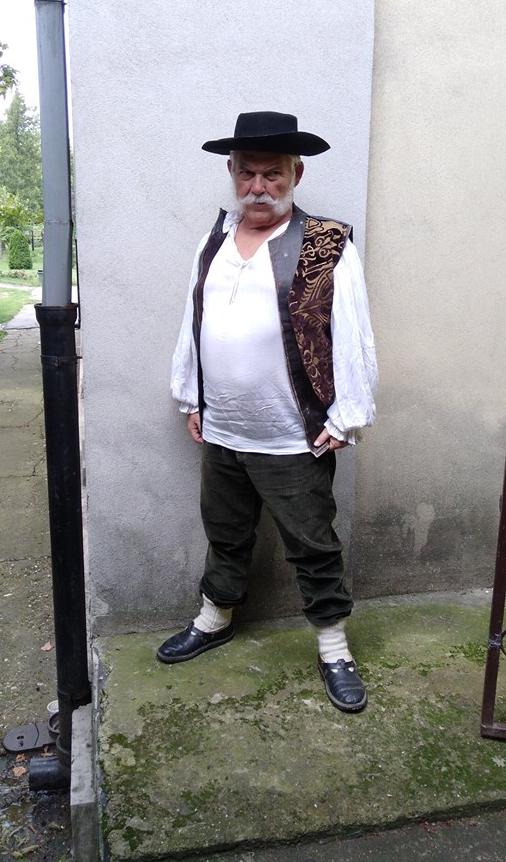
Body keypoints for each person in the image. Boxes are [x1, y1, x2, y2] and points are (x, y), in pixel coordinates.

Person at [157, 111, 378, 713]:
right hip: (222, 427)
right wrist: (191, 395)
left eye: (272, 174)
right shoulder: (215, 238)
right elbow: (194, 319)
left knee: (312, 544)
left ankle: (333, 647)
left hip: (292, 434)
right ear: (232, 174)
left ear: (295, 174)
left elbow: (352, 330)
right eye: (247, 173)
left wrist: (346, 414)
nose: (259, 187)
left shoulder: (327, 243)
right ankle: (215, 618)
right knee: (226, 532)